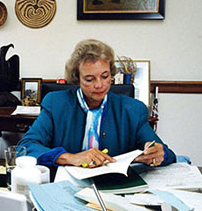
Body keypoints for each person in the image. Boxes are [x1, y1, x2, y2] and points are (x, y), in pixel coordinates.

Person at [17, 39, 176, 169]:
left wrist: (158, 154)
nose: (99, 85)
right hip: (66, 184)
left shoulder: (133, 109)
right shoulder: (55, 103)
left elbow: (167, 154)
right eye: (89, 79)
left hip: (115, 189)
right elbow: (25, 147)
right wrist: (70, 158)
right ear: (77, 78)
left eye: (105, 76)